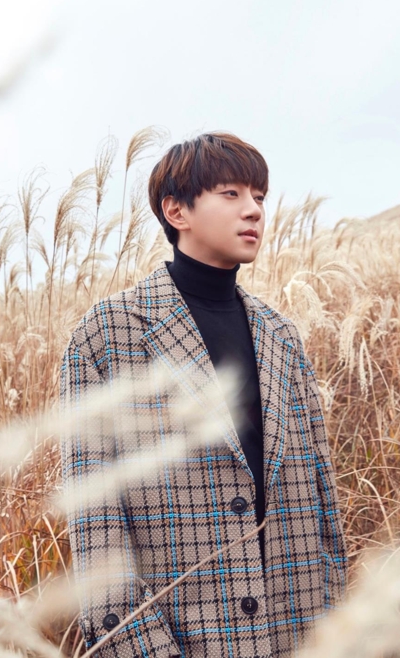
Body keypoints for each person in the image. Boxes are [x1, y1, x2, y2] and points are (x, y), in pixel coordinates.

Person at [61, 132, 346, 658]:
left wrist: (335, 623)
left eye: (259, 196)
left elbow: (322, 498)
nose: (254, 210)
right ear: (177, 211)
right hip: (183, 635)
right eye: (231, 194)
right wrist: (142, 648)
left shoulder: (281, 335)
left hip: (298, 629)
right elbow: (95, 520)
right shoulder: (108, 334)